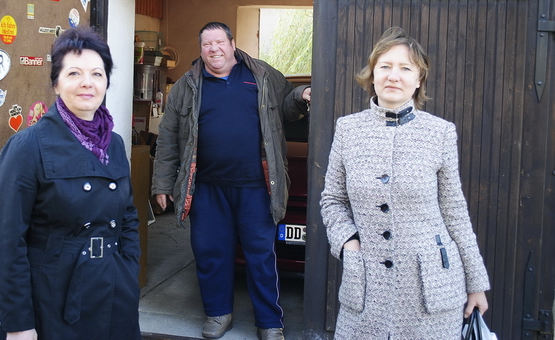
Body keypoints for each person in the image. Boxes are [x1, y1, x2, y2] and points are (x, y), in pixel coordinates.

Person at [319, 27, 490, 339]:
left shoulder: (440, 133)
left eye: (405, 68)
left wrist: (476, 283)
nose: (393, 76)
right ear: (372, 75)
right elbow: (333, 200)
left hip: (431, 290)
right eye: (385, 66)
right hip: (366, 287)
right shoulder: (348, 130)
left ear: (419, 79)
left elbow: (454, 211)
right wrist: (348, 243)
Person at [151, 22, 311, 340]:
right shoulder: (187, 85)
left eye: (219, 42)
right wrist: (162, 184)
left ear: (232, 44)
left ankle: (269, 322)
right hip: (207, 188)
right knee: (211, 253)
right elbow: (169, 136)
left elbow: (286, 105)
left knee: (261, 257)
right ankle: (218, 313)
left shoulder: (262, 74)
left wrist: (301, 95)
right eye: (207, 44)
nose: (214, 49)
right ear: (201, 49)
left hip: (256, 187)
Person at [0, 27, 141, 340]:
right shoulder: (28, 146)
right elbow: (9, 242)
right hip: (52, 296)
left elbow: (127, 216)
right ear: (56, 83)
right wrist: (18, 324)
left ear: (106, 82)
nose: (87, 82)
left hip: (113, 290)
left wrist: (129, 267)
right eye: (74, 73)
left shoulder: (113, 144)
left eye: (97, 74)